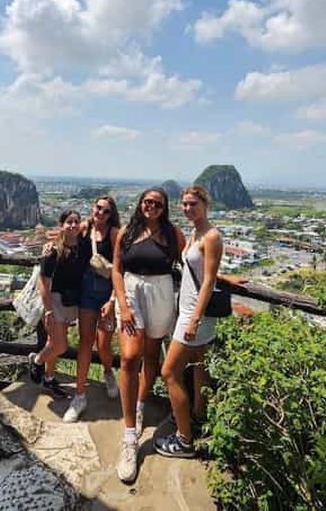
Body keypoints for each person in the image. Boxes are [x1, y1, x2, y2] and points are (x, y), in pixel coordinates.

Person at [154, 186, 246, 458]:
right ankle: (197, 418)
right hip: (190, 311)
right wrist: (226, 279)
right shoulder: (196, 232)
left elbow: (207, 281)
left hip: (196, 315)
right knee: (198, 369)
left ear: (206, 204)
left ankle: (184, 440)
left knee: (169, 373)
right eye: (184, 204)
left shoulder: (212, 236)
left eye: (193, 204)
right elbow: (205, 272)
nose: (188, 208)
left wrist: (194, 319)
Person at [112, 187, 186, 483]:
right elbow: (116, 270)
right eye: (147, 201)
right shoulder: (127, 232)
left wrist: (221, 277)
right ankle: (130, 437)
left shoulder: (173, 234)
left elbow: (192, 265)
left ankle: (140, 405)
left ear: (164, 207)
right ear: (140, 204)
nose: (150, 206)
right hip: (131, 292)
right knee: (130, 358)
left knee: (152, 356)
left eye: (156, 203)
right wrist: (122, 305)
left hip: (161, 293)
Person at [63, 196, 121, 423]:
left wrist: (113, 299)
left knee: (104, 343)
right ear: (92, 208)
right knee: (85, 342)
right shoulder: (85, 228)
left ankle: (108, 372)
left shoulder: (114, 234)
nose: (101, 213)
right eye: (98, 208)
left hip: (107, 293)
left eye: (106, 211)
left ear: (111, 214)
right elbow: (64, 238)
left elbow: (119, 268)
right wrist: (50, 245)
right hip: (87, 292)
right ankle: (79, 395)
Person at [28, 210, 88, 397]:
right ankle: (37, 360)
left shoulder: (83, 246)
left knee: (53, 342)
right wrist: (48, 311)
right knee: (60, 345)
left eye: (76, 221)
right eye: (69, 222)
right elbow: (43, 282)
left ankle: (49, 378)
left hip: (71, 301)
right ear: (62, 225)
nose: (73, 225)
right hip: (55, 301)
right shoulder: (54, 251)